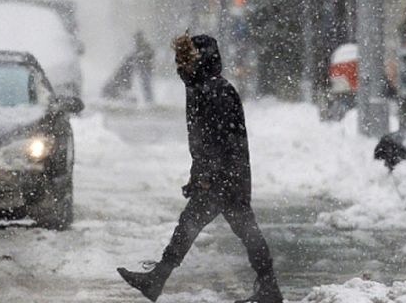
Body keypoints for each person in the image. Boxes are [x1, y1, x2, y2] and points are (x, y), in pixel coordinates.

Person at [117, 32, 283, 303]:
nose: (181, 67)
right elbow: (205, 141)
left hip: (224, 178)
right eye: (179, 61)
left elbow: (221, 139)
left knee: (201, 226)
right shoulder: (202, 87)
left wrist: (207, 175)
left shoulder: (215, 90)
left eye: (186, 61)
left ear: (202, 61)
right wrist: (198, 175)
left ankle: (157, 279)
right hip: (225, 176)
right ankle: (268, 287)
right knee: (239, 229)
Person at [101, 30, 155, 103]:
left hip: (144, 71)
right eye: (136, 39)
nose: (136, 41)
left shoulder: (144, 47)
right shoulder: (138, 50)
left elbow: (149, 55)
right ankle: (148, 101)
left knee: (145, 86)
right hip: (139, 72)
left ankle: (149, 101)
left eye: (137, 39)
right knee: (144, 87)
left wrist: (141, 58)